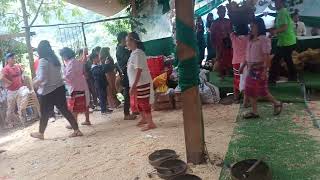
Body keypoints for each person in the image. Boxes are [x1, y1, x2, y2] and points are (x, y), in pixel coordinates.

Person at [31, 40, 83, 139]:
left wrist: (35, 83)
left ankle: (41, 133)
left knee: (44, 113)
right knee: (64, 110)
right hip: (59, 88)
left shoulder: (43, 61)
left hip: (47, 91)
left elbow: (42, 78)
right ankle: (77, 130)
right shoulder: (55, 59)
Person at [239, 18, 283, 119]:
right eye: (251, 26)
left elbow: (266, 56)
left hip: (259, 69)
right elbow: (247, 55)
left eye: (253, 26)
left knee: (259, 90)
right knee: (252, 89)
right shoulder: (250, 39)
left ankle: (275, 104)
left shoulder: (263, 39)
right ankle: (261, 109)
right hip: (251, 68)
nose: (251, 28)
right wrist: (243, 66)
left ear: (259, 26)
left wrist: (265, 71)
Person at [126, 32, 156, 131]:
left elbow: (139, 70)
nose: (126, 43)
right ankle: (144, 118)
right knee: (139, 103)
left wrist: (134, 86)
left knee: (144, 103)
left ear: (134, 41)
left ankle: (151, 123)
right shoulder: (134, 53)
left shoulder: (138, 53)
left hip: (142, 82)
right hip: (138, 83)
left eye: (128, 41)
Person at [60, 47, 91, 127]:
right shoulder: (76, 61)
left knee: (74, 107)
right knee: (85, 103)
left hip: (76, 87)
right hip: (82, 84)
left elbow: (69, 77)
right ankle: (87, 120)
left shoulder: (71, 63)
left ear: (65, 55)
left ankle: (74, 124)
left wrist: (62, 76)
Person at [269, 0, 297, 83]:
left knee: (276, 60)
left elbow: (284, 27)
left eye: (277, 3)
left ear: (281, 3)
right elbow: (278, 26)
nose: (276, 4)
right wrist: (272, 31)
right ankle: (293, 76)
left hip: (287, 41)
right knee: (287, 59)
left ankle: (272, 78)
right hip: (284, 41)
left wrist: (275, 32)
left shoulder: (283, 12)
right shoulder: (280, 13)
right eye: (275, 2)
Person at [116, 32, 138, 120]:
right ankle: (126, 113)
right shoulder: (120, 50)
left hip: (128, 72)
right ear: (122, 39)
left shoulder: (122, 49)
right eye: (127, 39)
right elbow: (127, 59)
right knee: (127, 93)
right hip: (126, 73)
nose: (127, 41)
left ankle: (134, 109)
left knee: (131, 92)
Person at [1, 53, 24, 128]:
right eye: (12, 58)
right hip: (11, 91)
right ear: (8, 60)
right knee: (10, 108)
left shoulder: (17, 66)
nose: (14, 59)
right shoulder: (6, 68)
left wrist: (22, 78)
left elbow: (21, 73)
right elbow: (1, 77)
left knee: (20, 106)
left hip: (19, 89)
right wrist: (8, 82)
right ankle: (9, 123)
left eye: (14, 58)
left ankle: (21, 120)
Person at [210, 5, 233, 80]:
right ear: (218, 12)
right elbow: (212, 35)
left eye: (224, 11)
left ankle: (229, 72)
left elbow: (232, 32)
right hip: (219, 44)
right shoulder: (214, 23)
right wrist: (214, 45)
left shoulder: (228, 21)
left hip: (228, 43)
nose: (223, 13)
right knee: (220, 59)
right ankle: (221, 74)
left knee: (229, 57)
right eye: (221, 11)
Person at [230, 24, 249, 104]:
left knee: (236, 79)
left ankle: (236, 98)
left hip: (236, 62)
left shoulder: (233, 37)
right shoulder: (249, 38)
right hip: (246, 62)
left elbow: (231, 32)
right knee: (245, 81)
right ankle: (246, 99)